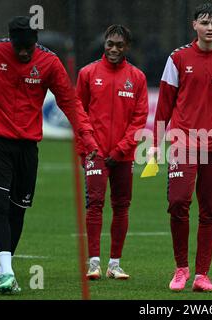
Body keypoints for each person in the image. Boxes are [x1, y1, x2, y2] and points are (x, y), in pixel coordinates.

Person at [0, 16, 98, 294]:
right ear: (11, 41)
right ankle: (8, 271)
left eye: (29, 48)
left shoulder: (49, 62)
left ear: (36, 42)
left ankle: (4, 268)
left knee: (18, 209)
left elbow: (68, 100)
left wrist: (85, 135)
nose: (24, 53)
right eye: (19, 48)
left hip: (28, 146)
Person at [148, 2, 212, 292]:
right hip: (181, 141)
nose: (209, 28)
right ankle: (181, 268)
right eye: (204, 22)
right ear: (194, 25)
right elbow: (164, 103)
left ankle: (202, 275)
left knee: (210, 209)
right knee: (178, 202)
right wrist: (156, 143)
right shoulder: (178, 58)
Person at [76, 25, 148, 281]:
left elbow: (139, 119)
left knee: (121, 206)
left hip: (123, 155)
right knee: (94, 204)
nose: (113, 49)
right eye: (110, 44)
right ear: (104, 44)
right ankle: (94, 262)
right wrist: (87, 147)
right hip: (94, 153)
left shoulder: (137, 77)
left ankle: (114, 264)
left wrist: (121, 150)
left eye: (119, 45)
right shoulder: (87, 73)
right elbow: (79, 112)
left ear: (127, 47)